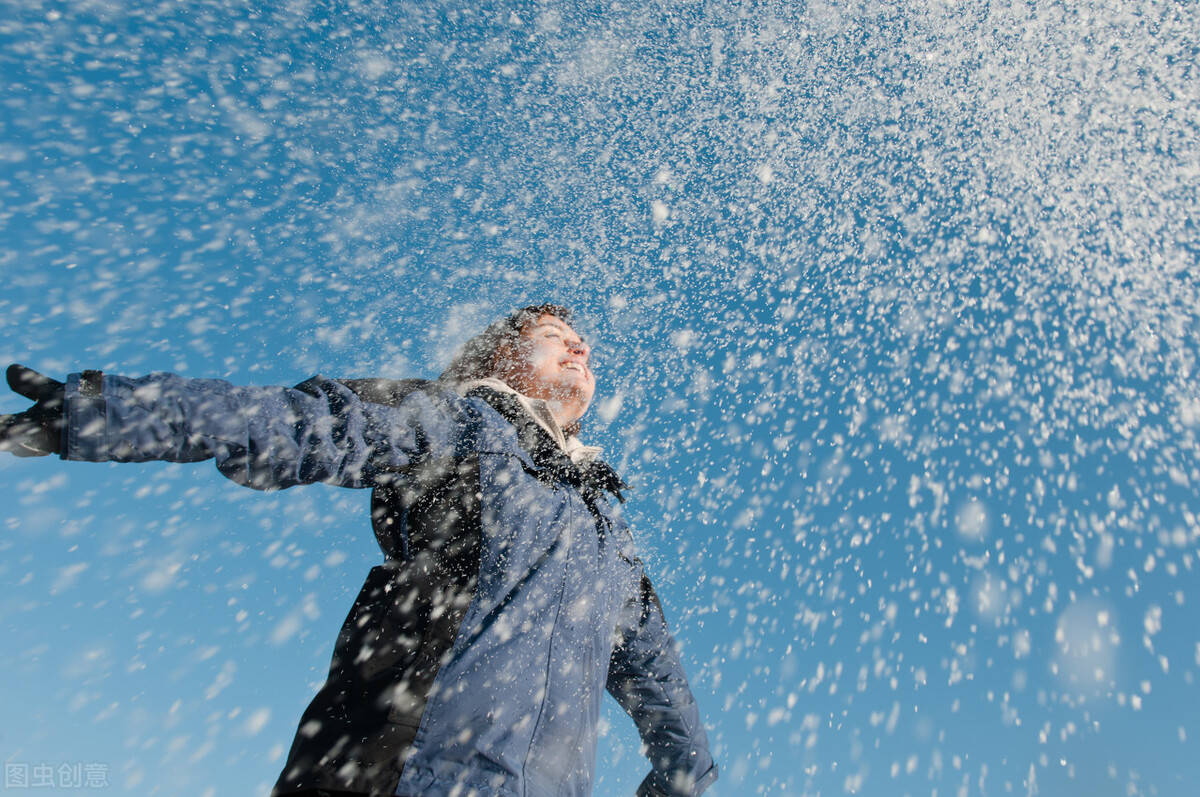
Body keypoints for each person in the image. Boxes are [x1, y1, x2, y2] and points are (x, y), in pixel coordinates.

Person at [0, 304, 717, 797]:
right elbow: (302, 424)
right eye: (556, 334)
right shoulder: (460, 424)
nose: (580, 346)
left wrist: (679, 778)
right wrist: (109, 411)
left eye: (582, 340)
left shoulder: (607, 537)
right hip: (386, 768)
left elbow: (668, 700)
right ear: (503, 353)